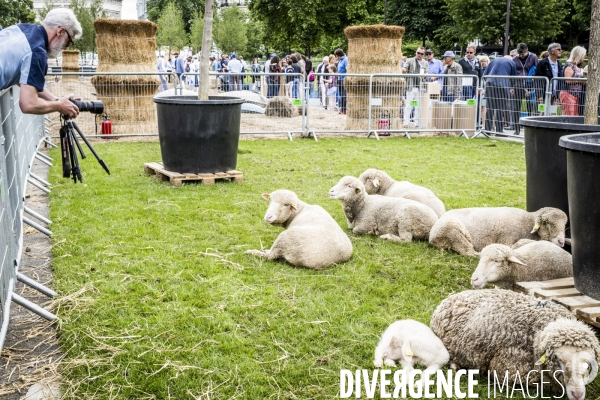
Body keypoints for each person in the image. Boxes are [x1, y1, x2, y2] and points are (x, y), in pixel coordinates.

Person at [0, 8, 81, 118]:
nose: (65, 47)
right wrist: (58, 106)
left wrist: (57, 100)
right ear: (60, 32)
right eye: (68, 42)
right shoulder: (37, 52)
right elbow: (28, 104)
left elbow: (25, 81)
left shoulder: (21, 29)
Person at [484, 56, 517, 133]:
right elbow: (513, 77)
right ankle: (499, 130)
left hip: (490, 84)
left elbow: (485, 73)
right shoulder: (512, 62)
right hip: (503, 86)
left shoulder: (493, 60)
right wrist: (511, 87)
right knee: (500, 108)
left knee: (490, 108)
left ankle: (487, 129)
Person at [511, 43, 538, 134]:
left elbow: (536, 70)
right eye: (519, 54)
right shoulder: (514, 59)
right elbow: (512, 73)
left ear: (527, 51)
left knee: (530, 107)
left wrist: (532, 88)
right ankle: (516, 128)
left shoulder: (533, 57)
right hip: (518, 85)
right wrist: (512, 86)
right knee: (516, 107)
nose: (521, 56)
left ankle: (530, 128)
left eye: (523, 54)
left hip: (530, 84)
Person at [403, 46, 428, 126]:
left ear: (423, 54)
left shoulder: (425, 62)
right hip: (411, 86)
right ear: (415, 52)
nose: (419, 55)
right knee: (409, 105)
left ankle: (416, 122)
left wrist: (424, 75)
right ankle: (406, 122)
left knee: (418, 106)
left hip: (420, 87)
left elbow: (427, 73)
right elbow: (404, 68)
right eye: (418, 53)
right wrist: (403, 70)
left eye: (421, 53)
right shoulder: (410, 60)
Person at [560, 46, 587, 116]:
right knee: (570, 115)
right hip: (568, 94)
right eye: (583, 56)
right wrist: (581, 80)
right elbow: (568, 80)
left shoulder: (577, 67)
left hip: (576, 95)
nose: (583, 58)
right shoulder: (569, 66)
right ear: (578, 55)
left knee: (575, 115)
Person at [335, 48, 348, 114]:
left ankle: (344, 109)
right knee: (340, 95)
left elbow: (347, 69)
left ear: (339, 55)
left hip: (343, 79)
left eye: (336, 56)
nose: (336, 58)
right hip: (339, 79)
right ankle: (340, 109)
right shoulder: (340, 60)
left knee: (343, 95)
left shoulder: (345, 60)